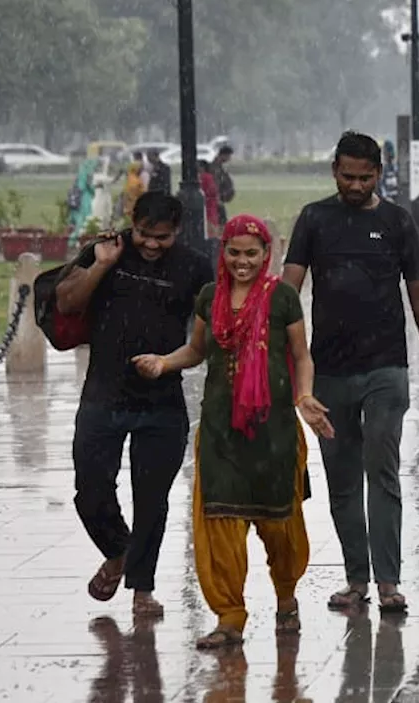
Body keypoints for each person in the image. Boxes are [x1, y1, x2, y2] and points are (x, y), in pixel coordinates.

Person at [132, 215, 335, 649]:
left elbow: (301, 356)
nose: (242, 262)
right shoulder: (210, 297)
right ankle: (229, 617)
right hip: (221, 432)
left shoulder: (282, 298)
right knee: (219, 523)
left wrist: (304, 398)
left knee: (282, 526)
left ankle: (286, 597)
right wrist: (164, 363)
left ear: (267, 254)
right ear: (222, 251)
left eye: (251, 253)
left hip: (274, 433)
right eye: (234, 252)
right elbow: (197, 349)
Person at [282, 132, 419, 615]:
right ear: (333, 170)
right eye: (347, 176)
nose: (356, 186)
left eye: (365, 177)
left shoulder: (397, 222)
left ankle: (390, 582)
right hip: (329, 373)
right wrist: (277, 362)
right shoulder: (315, 220)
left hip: (386, 369)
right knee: (340, 479)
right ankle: (356, 579)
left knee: (382, 471)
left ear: (379, 173)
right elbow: (289, 291)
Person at [56, 192, 215, 618]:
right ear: (133, 222)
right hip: (103, 395)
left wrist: (169, 363)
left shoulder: (195, 266)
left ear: (176, 231)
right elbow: (67, 302)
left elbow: (208, 334)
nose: (151, 244)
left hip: (161, 401)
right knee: (89, 490)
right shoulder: (109, 249)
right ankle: (119, 552)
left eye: (162, 238)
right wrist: (103, 263)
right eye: (145, 234)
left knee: (152, 499)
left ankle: (142, 589)